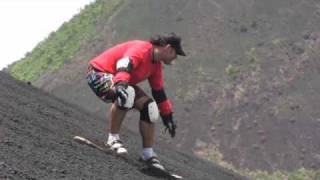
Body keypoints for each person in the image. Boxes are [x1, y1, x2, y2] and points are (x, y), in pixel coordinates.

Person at [86, 32, 186, 169]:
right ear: (169, 48)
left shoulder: (156, 65)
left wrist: (168, 116)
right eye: (176, 54)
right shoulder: (142, 49)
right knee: (127, 93)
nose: (175, 58)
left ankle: (148, 154)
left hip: (119, 80)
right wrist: (120, 83)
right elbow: (124, 64)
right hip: (98, 73)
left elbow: (159, 92)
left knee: (150, 108)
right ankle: (112, 140)